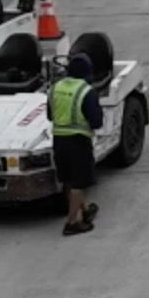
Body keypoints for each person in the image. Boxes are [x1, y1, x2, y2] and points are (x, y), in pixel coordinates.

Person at [49, 52, 101, 234]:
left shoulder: (55, 87)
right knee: (80, 182)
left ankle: (84, 211)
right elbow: (96, 121)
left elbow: (50, 115)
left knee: (70, 179)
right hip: (78, 141)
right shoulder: (86, 91)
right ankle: (72, 222)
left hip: (58, 140)